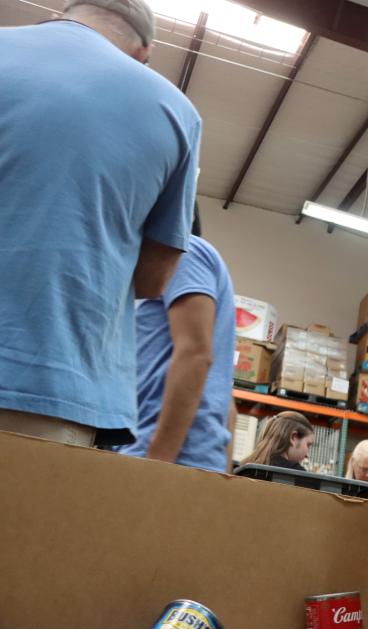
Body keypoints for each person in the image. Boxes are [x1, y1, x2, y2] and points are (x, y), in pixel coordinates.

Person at [0, 0, 200, 447]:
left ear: (62, 15)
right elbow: (152, 279)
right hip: (51, 389)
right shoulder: (176, 111)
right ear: (143, 53)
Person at [119, 210, 237, 472]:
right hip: (185, 460)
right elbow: (228, 407)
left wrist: (157, 463)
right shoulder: (165, 276)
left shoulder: (184, 252)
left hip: (164, 459)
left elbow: (195, 354)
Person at [240, 411, 315, 471]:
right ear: (293, 437)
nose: (307, 455)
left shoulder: (243, 467)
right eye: (308, 445)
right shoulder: (298, 475)